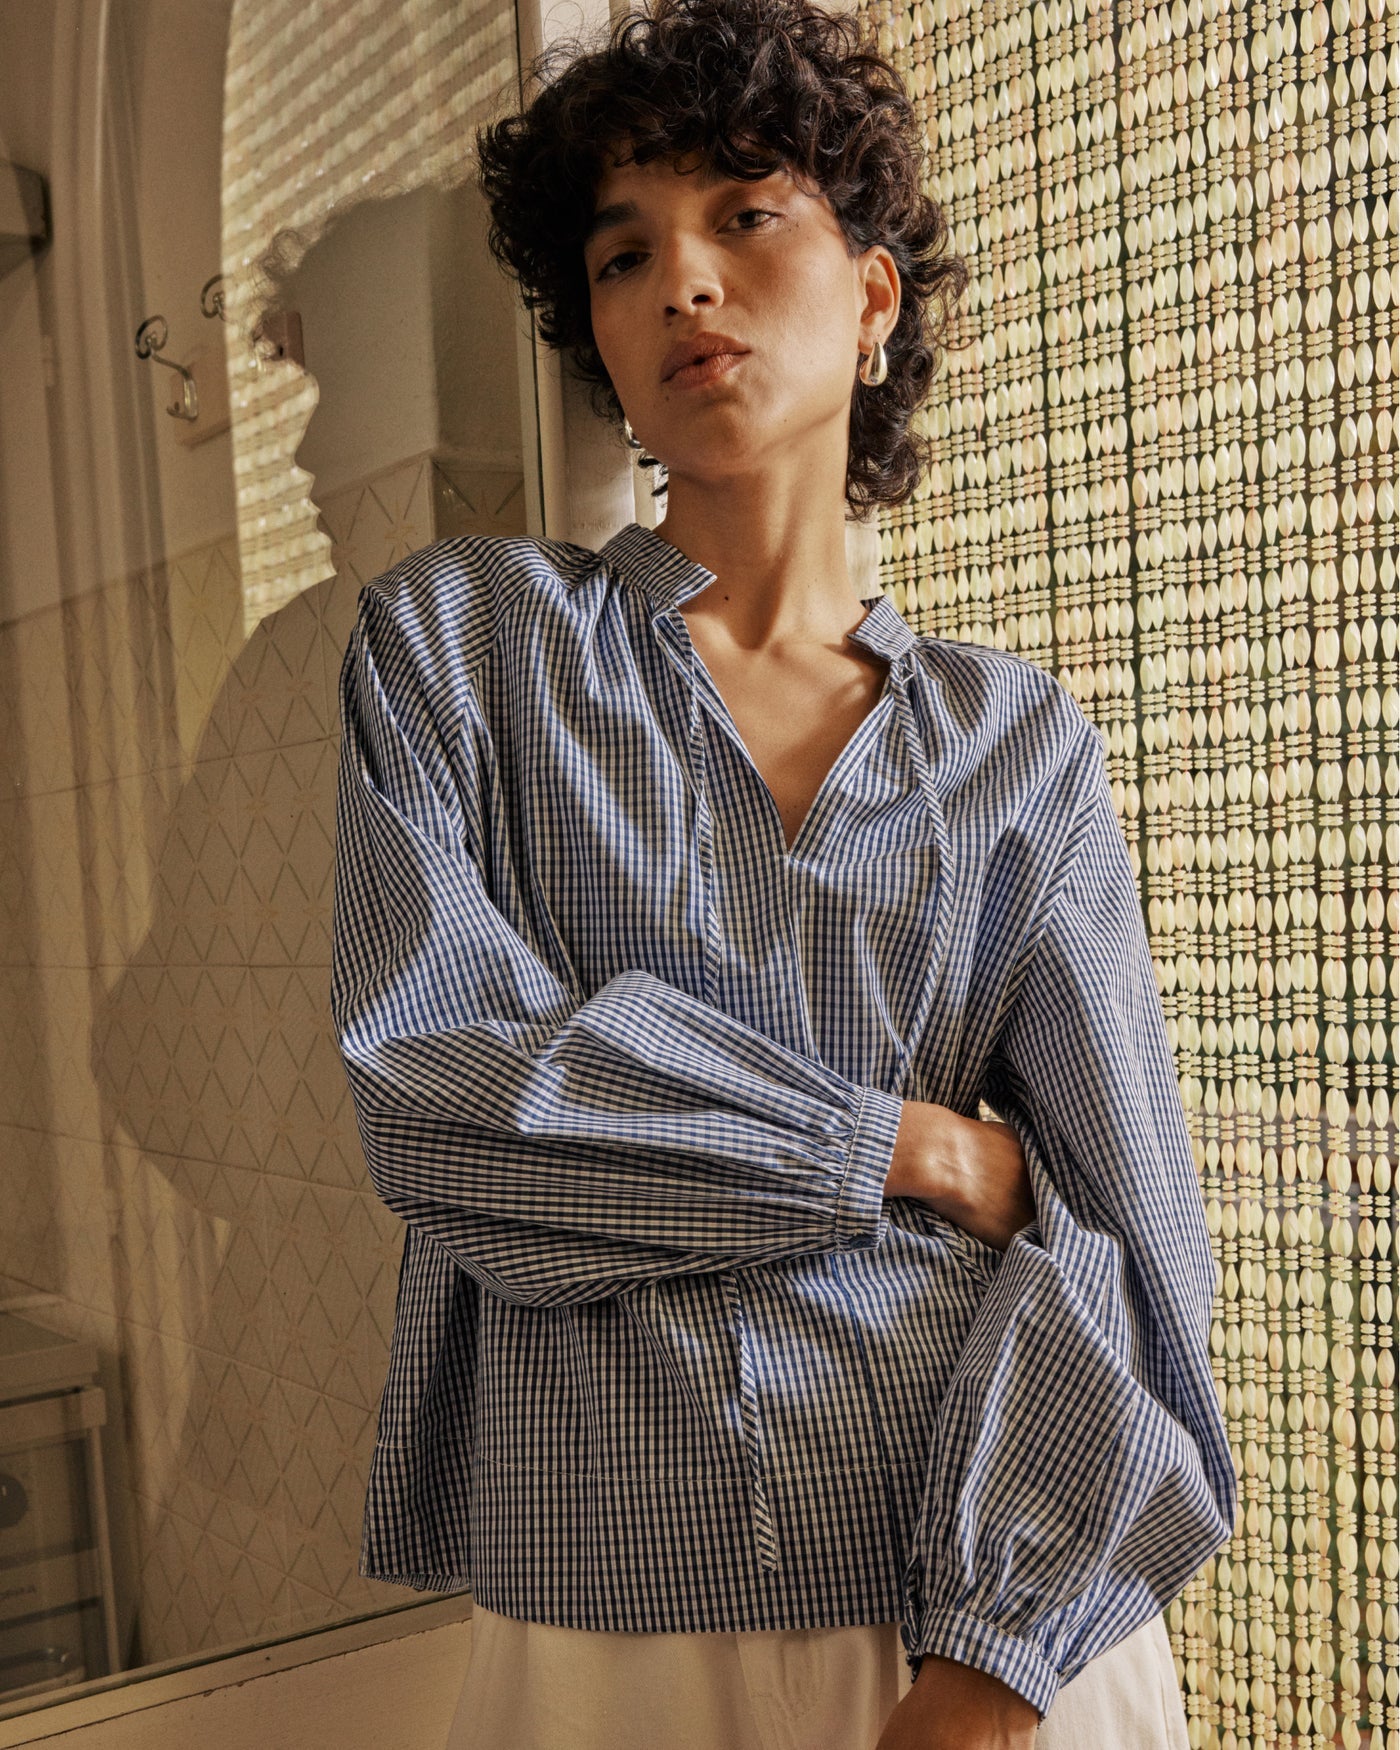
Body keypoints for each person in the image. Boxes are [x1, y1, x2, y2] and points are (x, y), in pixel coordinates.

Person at [328, 0, 1238, 1744]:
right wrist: (908, 1146)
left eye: (745, 215)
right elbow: (442, 1105)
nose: (681, 282)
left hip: (980, 1617)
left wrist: (990, 1669)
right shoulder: (461, 651)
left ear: (875, 293)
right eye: (622, 251)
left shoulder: (1011, 742)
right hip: (611, 1627)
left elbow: (1126, 1245)